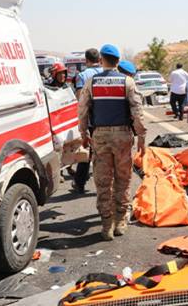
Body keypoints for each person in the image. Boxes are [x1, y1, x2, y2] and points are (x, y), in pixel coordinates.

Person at [78, 44, 146, 241]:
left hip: (100, 136)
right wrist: (141, 137)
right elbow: (137, 112)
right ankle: (120, 221)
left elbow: (82, 110)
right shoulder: (128, 82)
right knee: (123, 179)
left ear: (102, 60)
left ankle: (106, 224)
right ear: (118, 61)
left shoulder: (91, 82)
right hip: (123, 135)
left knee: (102, 180)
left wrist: (83, 134)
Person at [71, 48, 103, 193]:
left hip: (90, 121)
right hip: (107, 121)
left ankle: (80, 183)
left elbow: (80, 99)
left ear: (86, 60)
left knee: (87, 153)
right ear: (99, 59)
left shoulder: (82, 76)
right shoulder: (106, 73)